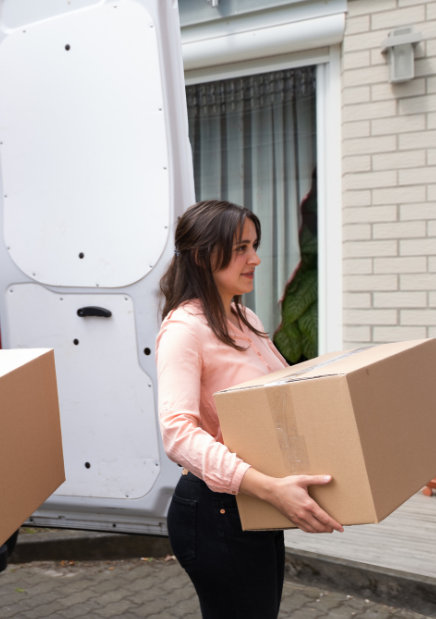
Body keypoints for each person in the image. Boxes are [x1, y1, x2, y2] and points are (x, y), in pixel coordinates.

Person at [156, 200, 343, 619]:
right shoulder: (184, 330)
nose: (255, 259)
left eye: (254, 245)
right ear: (204, 255)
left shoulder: (244, 316)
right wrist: (270, 488)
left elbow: (277, 396)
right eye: (241, 248)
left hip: (256, 505)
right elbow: (177, 433)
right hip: (217, 513)